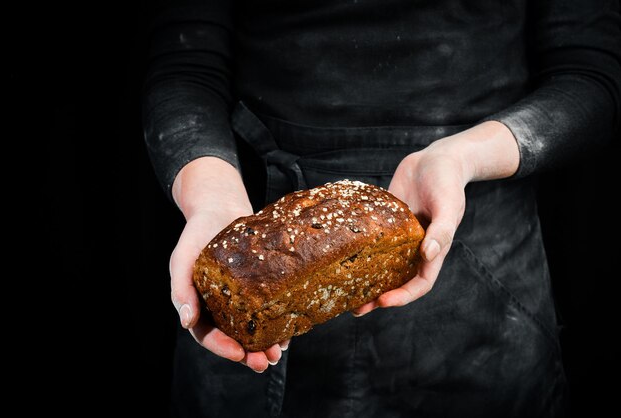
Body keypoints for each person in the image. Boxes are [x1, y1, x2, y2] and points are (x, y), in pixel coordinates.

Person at [142, 0, 620, 416]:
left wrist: (459, 157)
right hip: (254, 233)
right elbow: (186, 63)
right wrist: (212, 198)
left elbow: (589, 77)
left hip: (473, 256)